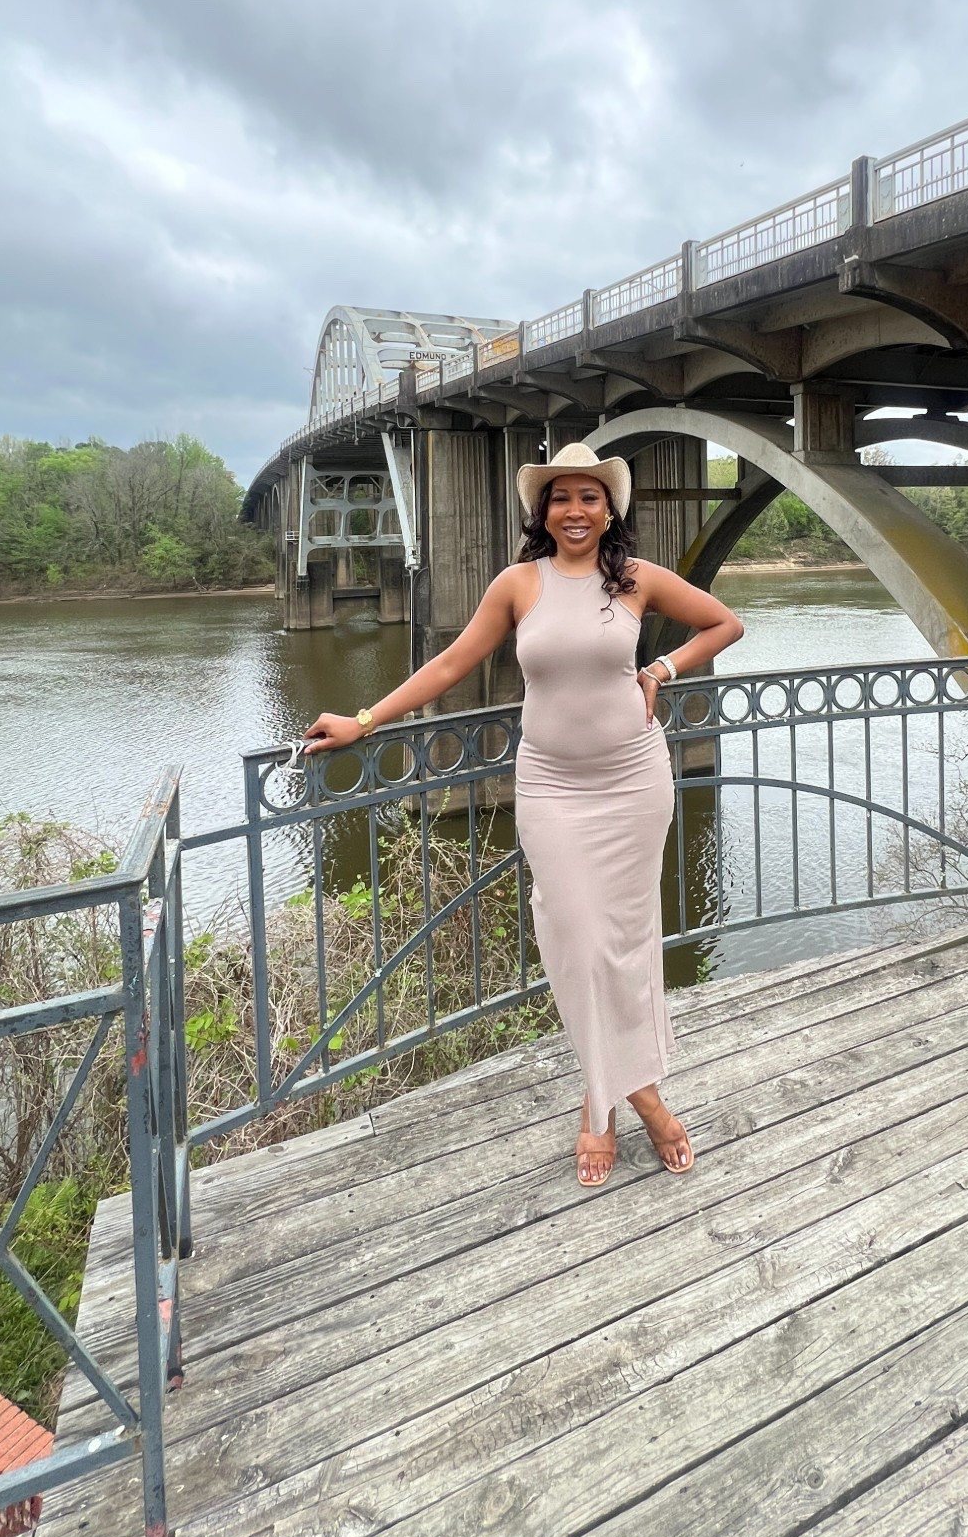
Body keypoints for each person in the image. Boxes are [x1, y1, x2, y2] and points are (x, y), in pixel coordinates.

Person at [303, 442, 744, 1188]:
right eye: (561, 498)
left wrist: (663, 668)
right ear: (542, 511)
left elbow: (724, 624)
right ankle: (646, 1100)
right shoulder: (518, 584)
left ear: (610, 510)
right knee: (575, 942)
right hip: (552, 788)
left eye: (589, 497)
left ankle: (596, 1107)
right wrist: (364, 719)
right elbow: (450, 665)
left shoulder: (636, 580)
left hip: (634, 782)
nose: (575, 510)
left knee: (625, 948)